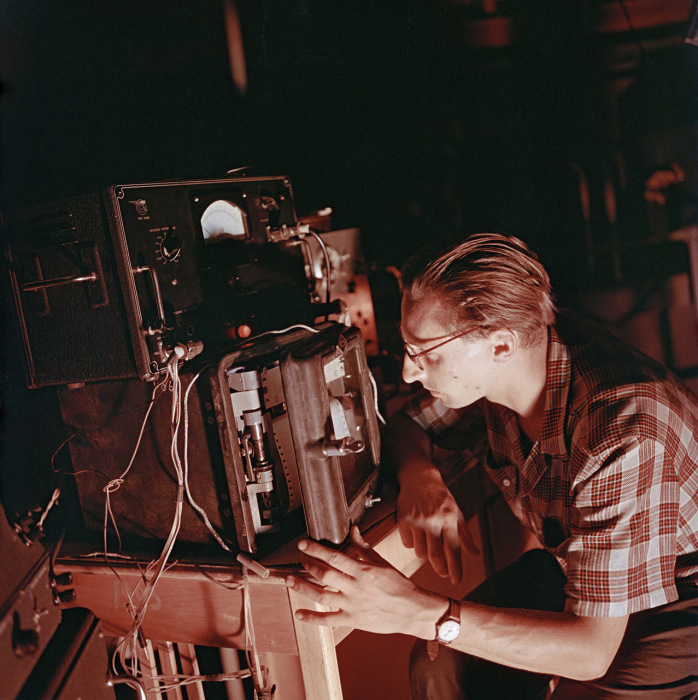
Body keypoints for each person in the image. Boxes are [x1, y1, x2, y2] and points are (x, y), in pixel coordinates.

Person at [285, 233, 698, 699]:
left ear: (499, 345)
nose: (408, 372)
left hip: (680, 595)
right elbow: (408, 425)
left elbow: (590, 650)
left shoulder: (624, 429)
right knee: (443, 665)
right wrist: (419, 475)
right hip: (583, 566)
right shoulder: (515, 364)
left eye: (425, 354)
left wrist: (414, 611)